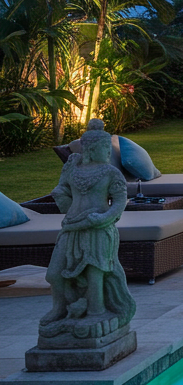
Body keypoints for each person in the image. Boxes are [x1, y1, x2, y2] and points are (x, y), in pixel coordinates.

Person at [40, 120, 136, 339]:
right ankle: (61, 307)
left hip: (98, 228)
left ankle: (96, 310)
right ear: (92, 149)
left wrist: (103, 218)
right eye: (105, 148)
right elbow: (60, 190)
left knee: (95, 272)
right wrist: (67, 207)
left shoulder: (111, 173)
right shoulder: (74, 169)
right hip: (72, 226)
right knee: (55, 273)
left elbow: (120, 202)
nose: (108, 152)